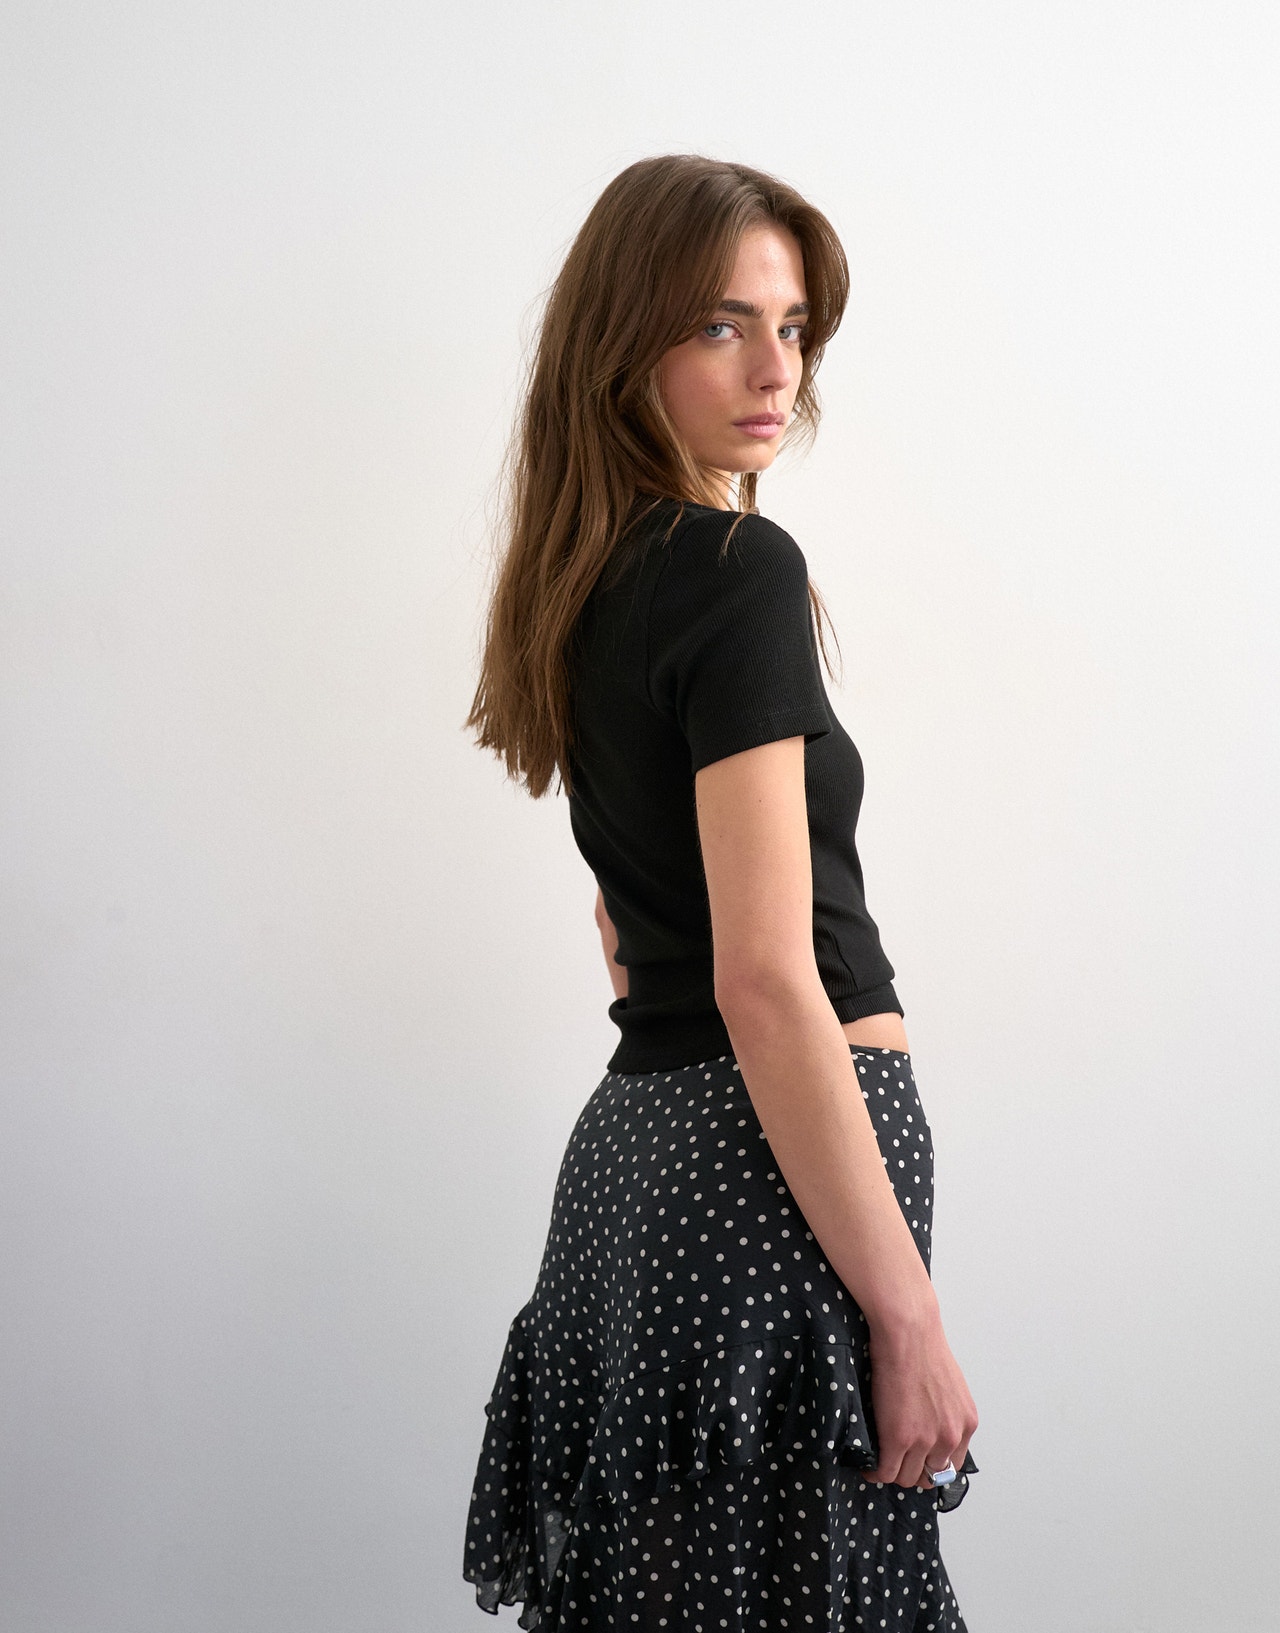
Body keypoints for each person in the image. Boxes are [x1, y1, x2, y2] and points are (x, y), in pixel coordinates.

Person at [462, 153, 980, 1632]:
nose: (775, 370)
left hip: (641, 1170)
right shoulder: (738, 568)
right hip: (765, 1183)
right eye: (719, 325)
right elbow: (760, 973)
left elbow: (629, 935)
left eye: (792, 325)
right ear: (622, 343)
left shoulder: (580, 584)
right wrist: (908, 1313)